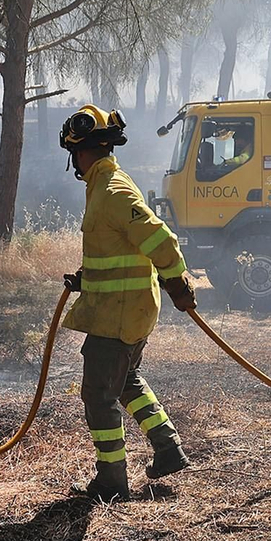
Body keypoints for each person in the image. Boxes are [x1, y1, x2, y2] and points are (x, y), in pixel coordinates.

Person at [58, 104, 195, 503]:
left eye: (74, 154)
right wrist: (89, 278)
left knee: (98, 395)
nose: (76, 162)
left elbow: (162, 241)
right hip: (124, 307)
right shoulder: (107, 187)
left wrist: (177, 281)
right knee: (126, 381)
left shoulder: (112, 191)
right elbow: (118, 248)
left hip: (119, 314)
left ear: (81, 152)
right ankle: (168, 449)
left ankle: (111, 481)